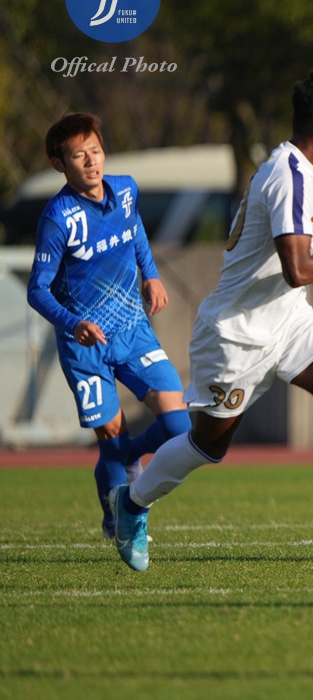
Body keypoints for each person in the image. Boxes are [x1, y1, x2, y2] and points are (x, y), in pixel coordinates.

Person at [108, 70, 313, 572]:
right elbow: (297, 270)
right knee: (208, 445)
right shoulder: (288, 177)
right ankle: (132, 503)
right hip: (236, 334)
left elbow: (291, 281)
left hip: (288, 321)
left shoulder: (309, 167)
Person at [27, 112, 191, 542]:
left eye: (96, 151)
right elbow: (37, 290)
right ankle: (120, 522)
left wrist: (150, 274)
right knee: (111, 437)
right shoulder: (58, 218)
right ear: (59, 164)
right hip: (85, 346)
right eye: (78, 155)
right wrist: (73, 322)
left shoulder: (126, 189)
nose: (91, 161)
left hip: (133, 331)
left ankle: (128, 455)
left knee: (180, 425)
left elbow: (134, 229)